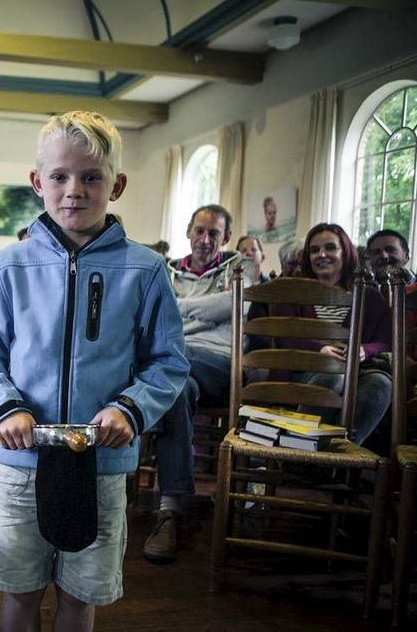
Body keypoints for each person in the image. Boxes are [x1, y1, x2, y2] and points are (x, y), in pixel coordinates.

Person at [0, 110, 188, 631]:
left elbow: (168, 361)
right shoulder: (5, 267)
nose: (74, 191)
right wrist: (6, 407)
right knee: (19, 594)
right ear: (38, 182)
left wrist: (130, 408)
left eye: (91, 177)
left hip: (101, 467)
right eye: (60, 176)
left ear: (117, 184)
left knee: (81, 596)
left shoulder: (147, 270)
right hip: (21, 462)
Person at [143, 204, 253, 564]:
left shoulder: (241, 267)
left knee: (161, 367)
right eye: (200, 231)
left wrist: (177, 309)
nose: (206, 240)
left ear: (226, 238)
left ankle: (138, 413)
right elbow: (150, 314)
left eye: (214, 234)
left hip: (221, 365)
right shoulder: (166, 270)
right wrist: (203, 313)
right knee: (177, 390)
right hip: (181, 369)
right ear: (188, 231)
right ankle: (170, 511)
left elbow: (237, 306)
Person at [268, 223, 392, 445]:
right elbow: (283, 336)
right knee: (333, 375)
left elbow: (386, 342)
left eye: (330, 248)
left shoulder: (370, 296)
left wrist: (364, 350)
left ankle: (339, 453)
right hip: (301, 370)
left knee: (381, 384)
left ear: (345, 252)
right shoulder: (292, 291)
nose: (321, 255)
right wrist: (320, 350)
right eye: (314, 250)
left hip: (355, 371)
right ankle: (299, 449)